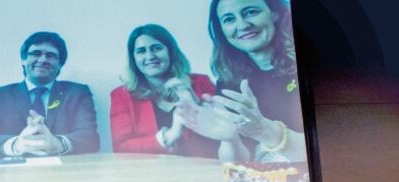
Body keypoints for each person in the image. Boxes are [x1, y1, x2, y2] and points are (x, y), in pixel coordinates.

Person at [179, 0, 306, 164]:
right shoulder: (229, 82)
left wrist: (264, 130)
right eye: (229, 19)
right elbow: (237, 164)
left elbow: (326, 148)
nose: (242, 25)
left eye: (251, 12)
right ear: (222, 30)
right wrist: (230, 140)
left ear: (275, 13)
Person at [0, 31, 100, 158]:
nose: (43, 59)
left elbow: (90, 138)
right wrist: (15, 146)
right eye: (36, 53)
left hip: (63, 174)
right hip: (11, 174)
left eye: (50, 55)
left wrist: (59, 144)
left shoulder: (77, 93)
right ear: (23, 60)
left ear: (60, 64)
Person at [109, 24, 219, 157]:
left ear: (170, 52)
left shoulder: (201, 82)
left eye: (156, 48)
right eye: (141, 51)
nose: (150, 56)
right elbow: (121, 147)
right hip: (150, 173)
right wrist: (171, 135)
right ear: (134, 59)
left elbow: (221, 131)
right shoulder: (121, 96)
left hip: (201, 168)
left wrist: (195, 102)